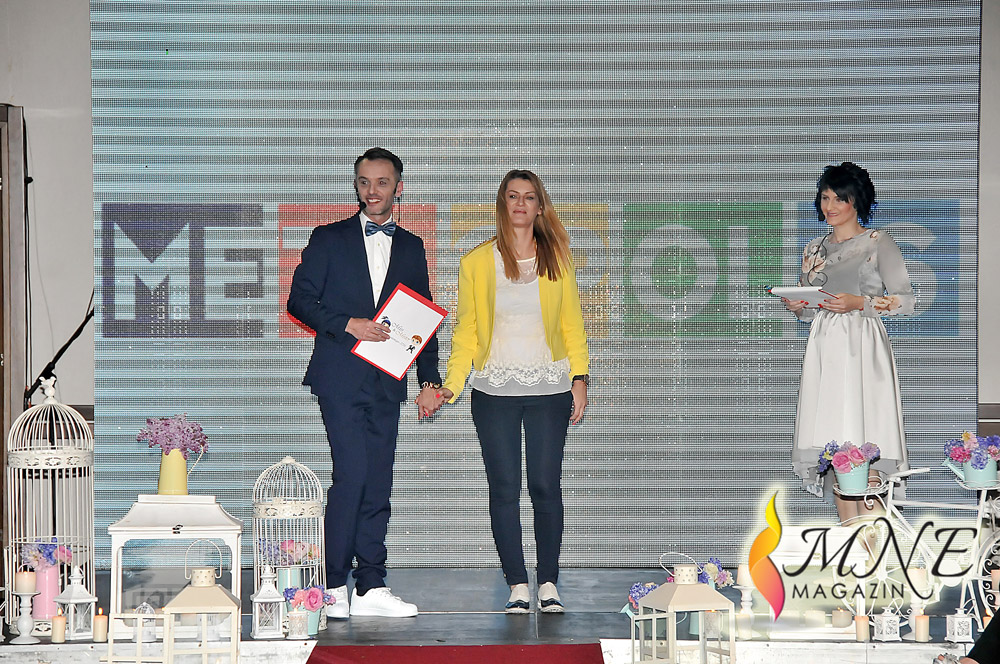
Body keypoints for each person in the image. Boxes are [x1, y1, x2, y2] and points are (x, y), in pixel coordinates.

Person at [287, 147, 442, 618]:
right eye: (363, 182)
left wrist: (429, 380)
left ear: (399, 188)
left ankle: (370, 585)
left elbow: (422, 318)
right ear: (355, 186)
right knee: (352, 476)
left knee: (378, 482)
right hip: (339, 376)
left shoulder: (412, 246)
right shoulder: (329, 238)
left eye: (381, 182)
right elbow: (299, 301)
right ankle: (334, 585)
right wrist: (347, 324)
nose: (372, 191)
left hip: (387, 381)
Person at [432, 169, 589, 613]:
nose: (521, 204)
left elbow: (572, 324)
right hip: (493, 389)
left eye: (529, 197)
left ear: (540, 207)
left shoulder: (557, 258)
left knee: (545, 485)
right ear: (503, 204)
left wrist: (580, 378)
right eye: (513, 196)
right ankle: (518, 583)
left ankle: (548, 583)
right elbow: (466, 332)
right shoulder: (476, 262)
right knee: (504, 488)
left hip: (550, 386)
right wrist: (451, 385)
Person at [783, 162, 914, 524]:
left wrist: (860, 302)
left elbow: (905, 301)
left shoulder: (878, 242)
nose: (830, 206)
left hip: (862, 344)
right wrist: (799, 305)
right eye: (825, 198)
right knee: (837, 451)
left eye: (839, 198)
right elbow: (809, 310)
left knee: (866, 446)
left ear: (857, 201)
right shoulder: (814, 248)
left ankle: (878, 548)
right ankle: (851, 543)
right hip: (825, 346)